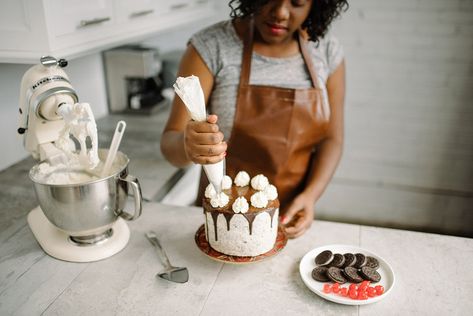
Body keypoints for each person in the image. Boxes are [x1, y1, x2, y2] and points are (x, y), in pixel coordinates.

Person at [161, 0, 348, 238]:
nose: (280, 12)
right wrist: (187, 146)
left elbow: (332, 139)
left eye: (298, 2)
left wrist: (310, 196)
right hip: (223, 218)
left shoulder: (326, 51)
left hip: (290, 215)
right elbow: (170, 144)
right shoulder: (211, 46)